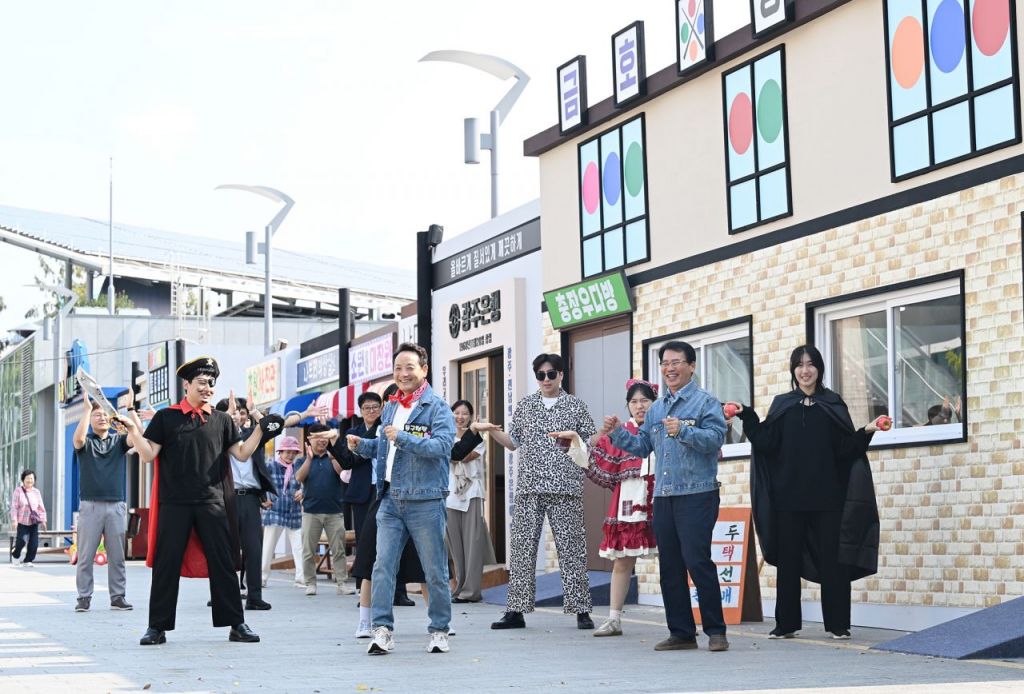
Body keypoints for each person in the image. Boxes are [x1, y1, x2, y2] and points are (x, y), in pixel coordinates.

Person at [730, 344, 882, 641]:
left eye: (810, 364)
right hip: (788, 499)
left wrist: (867, 430)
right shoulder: (783, 404)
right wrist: (747, 415)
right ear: (793, 370)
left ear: (819, 368)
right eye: (799, 365)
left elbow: (844, 450)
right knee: (788, 563)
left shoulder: (832, 403)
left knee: (834, 562)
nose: (805, 370)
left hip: (829, 497)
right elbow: (765, 442)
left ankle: (838, 624)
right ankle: (786, 624)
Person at [130, 355, 283, 646]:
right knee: (166, 565)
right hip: (174, 503)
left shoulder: (222, 420)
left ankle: (236, 624)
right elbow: (148, 454)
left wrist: (261, 430)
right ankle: (157, 627)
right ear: (186, 385)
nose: (207, 388)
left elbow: (242, 454)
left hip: (213, 502)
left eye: (211, 383)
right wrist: (132, 431)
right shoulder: (166, 417)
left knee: (224, 563)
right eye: (201, 382)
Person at [601, 341, 730, 653]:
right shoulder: (657, 408)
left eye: (676, 362)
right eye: (665, 363)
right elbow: (643, 446)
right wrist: (617, 432)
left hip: (697, 493)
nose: (670, 368)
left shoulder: (705, 402)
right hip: (663, 496)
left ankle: (716, 631)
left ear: (691, 366)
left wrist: (683, 431)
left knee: (697, 561)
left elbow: (715, 440)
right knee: (670, 566)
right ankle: (681, 633)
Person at [347, 342, 455, 655]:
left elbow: (442, 447)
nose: (403, 373)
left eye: (409, 367)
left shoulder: (437, 407)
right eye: (397, 368)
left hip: (425, 500)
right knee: (382, 566)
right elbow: (385, 447)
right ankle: (382, 630)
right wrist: (361, 446)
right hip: (390, 499)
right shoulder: (392, 406)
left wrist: (404, 438)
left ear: (424, 369)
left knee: (434, 571)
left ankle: (439, 630)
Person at [482, 353, 597, 631]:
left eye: (551, 374)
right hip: (529, 486)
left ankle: (581, 609)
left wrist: (593, 435)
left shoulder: (576, 406)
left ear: (561, 375)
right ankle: (516, 611)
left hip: (565, 486)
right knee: (522, 549)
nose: (546, 379)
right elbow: (513, 442)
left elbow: (589, 442)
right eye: (540, 375)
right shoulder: (525, 405)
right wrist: (490, 431)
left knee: (572, 548)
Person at [556, 378, 658, 637]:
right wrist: (575, 440)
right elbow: (594, 458)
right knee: (622, 562)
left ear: (655, 403)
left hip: (662, 498)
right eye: (634, 402)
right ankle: (613, 619)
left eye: (645, 401)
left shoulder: (663, 428)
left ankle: (683, 620)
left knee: (673, 560)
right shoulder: (621, 433)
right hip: (630, 502)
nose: (639, 406)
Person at [72, 390, 146, 612]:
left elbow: (138, 435)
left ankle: (118, 597)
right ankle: (83, 597)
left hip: (116, 505)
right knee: (85, 556)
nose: (102, 417)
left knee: (117, 556)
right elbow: (78, 440)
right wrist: (87, 409)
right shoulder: (86, 442)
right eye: (97, 415)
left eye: (105, 414)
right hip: (90, 505)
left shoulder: (118, 441)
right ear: (90, 419)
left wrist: (131, 410)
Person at [215, 395, 277, 611]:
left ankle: (254, 597)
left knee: (253, 548)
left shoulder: (253, 435)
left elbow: (274, 427)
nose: (238, 416)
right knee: (223, 548)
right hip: (224, 498)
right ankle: (222, 595)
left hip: (250, 498)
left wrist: (255, 411)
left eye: (241, 412)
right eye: (233, 412)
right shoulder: (215, 435)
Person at [295, 422, 355, 596]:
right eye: (318, 438)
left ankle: (342, 583)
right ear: (309, 440)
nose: (322, 441)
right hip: (310, 512)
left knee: (339, 550)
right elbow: (299, 477)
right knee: (308, 551)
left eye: (325, 437)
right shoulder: (302, 460)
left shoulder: (334, 456)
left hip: (334, 511)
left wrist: (333, 456)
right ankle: (310, 583)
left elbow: (341, 473)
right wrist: (309, 459)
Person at [446, 400, 495, 604]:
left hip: (471, 493)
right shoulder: (445, 436)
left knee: (472, 544)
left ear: (471, 417)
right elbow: (451, 455)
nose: (460, 417)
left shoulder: (477, 439)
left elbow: (461, 457)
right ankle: (458, 587)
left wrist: (471, 434)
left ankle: (471, 591)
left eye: (465, 413)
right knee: (455, 546)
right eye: (456, 413)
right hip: (450, 494)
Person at [260, 436, 305, 588]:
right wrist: (264, 499)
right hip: (275, 510)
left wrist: (303, 491)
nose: (290, 455)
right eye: (287, 452)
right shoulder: (270, 466)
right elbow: (261, 484)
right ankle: (262, 578)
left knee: (299, 546)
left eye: (293, 452)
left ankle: (301, 578)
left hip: (293, 511)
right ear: (280, 451)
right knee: (268, 546)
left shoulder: (298, 468)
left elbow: (306, 483)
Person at [11, 469, 47, 567]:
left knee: (34, 543)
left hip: (33, 521)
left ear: (34, 480)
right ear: (23, 479)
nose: (29, 480)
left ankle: (28, 560)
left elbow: (41, 507)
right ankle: (15, 554)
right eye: (27, 478)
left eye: (31, 478)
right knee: (21, 541)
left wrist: (43, 521)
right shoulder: (18, 491)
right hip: (22, 521)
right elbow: (14, 507)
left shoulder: (36, 492)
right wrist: (14, 520)